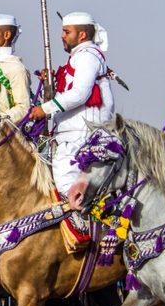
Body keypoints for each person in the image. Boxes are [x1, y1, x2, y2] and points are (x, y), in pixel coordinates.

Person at [29, 12, 115, 202]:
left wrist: (45, 108)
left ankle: (85, 229)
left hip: (81, 135)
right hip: (71, 135)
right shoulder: (79, 57)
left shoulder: (87, 57)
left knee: (68, 190)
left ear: (82, 35)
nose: (62, 36)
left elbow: (80, 93)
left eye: (67, 32)